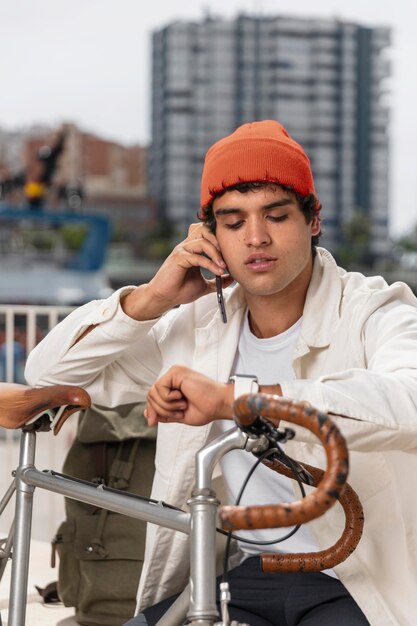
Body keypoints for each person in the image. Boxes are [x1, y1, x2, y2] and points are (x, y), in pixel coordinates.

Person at [25, 120, 417, 626]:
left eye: (276, 216)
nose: (256, 238)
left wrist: (236, 399)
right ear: (210, 235)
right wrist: (152, 298)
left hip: (357, 580)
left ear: (313, 219)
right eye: (233, 223)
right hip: (248, 575)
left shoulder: (374, 310)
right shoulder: (199, 326)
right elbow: (47, 372)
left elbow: (408, 400)